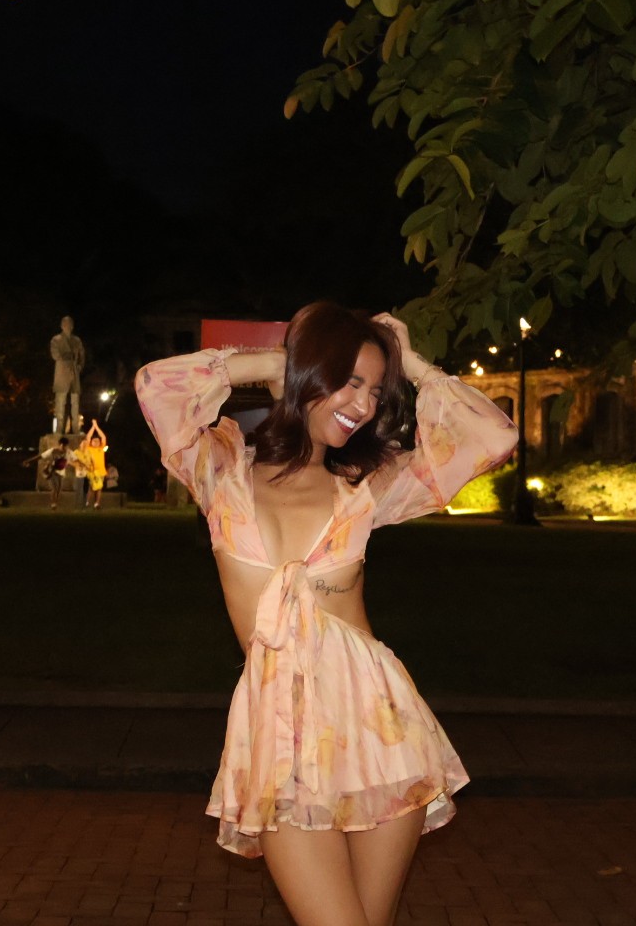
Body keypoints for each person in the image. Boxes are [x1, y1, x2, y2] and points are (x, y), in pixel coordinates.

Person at [135, 303, 516, 926]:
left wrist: (414, 365)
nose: (363, 405)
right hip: (278, 742)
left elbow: (494, 438)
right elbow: (156, 386)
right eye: (349, 381)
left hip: (381, 732)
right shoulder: (221, 471)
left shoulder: (366, 485)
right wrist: (275, 364)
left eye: (376, 390)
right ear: (308, 373)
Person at [50, 316, 85, 434]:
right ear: (61, 326)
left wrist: (79, 365)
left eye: (69, 324)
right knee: (60, 402)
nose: (67, 326)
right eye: (65, 324)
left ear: (72, 326)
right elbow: (55, 355)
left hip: (74, 373)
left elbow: (82, 355)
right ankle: (59, 428)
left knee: (75, 402)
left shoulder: (77, 340)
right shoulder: (56, 339)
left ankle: (75, 428)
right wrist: (68, 356)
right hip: (61, 374)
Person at [22, 435, 69, 510]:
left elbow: (74, 459)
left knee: (58, 489)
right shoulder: (53, 451)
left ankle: (55, 503)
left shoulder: (68, 452)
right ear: (60, 444)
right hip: (52, 471)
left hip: (61, 472)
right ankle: (53, 504)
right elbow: (40, 456)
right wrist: (28, 461)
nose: (64, 447)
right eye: (62, 446)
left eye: (65, 446)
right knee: (54, 488)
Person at [79, 420, 110, 509]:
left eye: (97, 441)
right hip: (92, 471)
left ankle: (97, 503)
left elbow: (103, 437)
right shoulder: (89, 448)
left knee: (99, 488)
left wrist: (97, 427)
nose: (96, 442)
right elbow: (88, 437)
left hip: (101, 471)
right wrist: (93, 426)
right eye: (94, 441)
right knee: (91, 487)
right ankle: (88, 502)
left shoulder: (102, 448)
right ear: (91, 442)